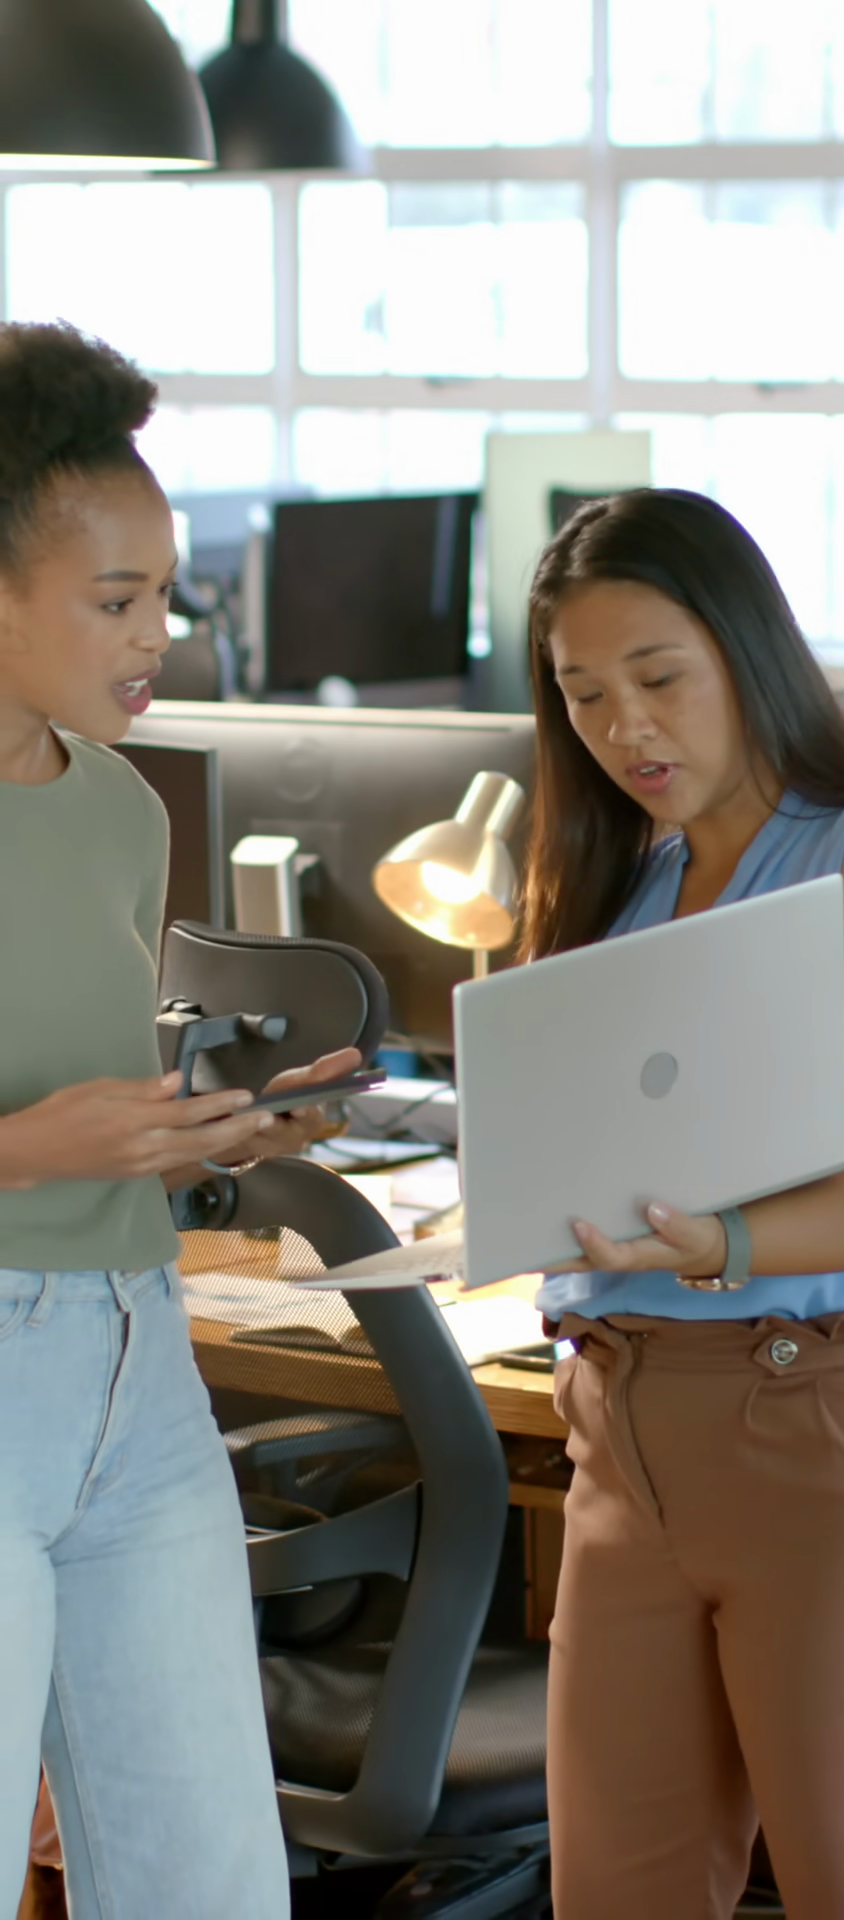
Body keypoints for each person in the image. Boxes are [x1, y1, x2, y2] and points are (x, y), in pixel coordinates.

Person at [524, 489, 844, 1920]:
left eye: (659, 678)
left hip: (829, 1436)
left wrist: (727, 1242)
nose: (626, 727)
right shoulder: (626, 884)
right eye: (585, 695)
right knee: (614, 1897)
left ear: (748, 656)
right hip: (626, 1436)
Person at [0, 322, 362, 1920]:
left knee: (209, 1884)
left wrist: (212, 1135)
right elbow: (42, 1129)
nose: (161, 634)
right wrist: (29, 1151)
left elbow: (93, 1085)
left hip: (136, 1360)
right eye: (115, 600)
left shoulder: (121, 808)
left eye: (166, 593)